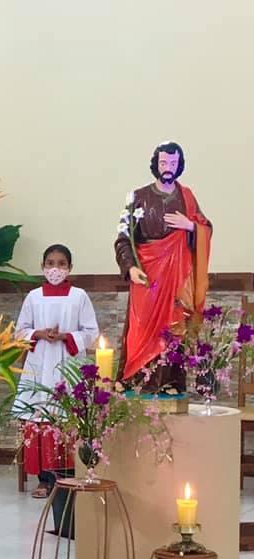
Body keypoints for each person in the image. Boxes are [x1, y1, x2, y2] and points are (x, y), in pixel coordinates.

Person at [114, 141, 212, 387]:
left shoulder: (187, 197)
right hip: (147, 276)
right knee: (142, 331)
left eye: (173, 163)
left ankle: (170, 384)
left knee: (174, 327)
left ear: (179, 166)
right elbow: (124, 238)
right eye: (164, 163)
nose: (168, 168)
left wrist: (190, 226)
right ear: (155, 164)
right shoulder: (138, 197)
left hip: (177, 276)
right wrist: (131, 267)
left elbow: (205, 228)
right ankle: (138, 382)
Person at [13, 244, 100, 498]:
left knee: (66, 418)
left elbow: (92, 333)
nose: (55, 268)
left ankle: (66, 477)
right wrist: (38, 333)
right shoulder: (33, 297)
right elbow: (19, 332)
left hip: (68, 367)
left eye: (61, 263)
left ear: (70, 268)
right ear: (42, 267)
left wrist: (65, 336)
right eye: (50, 263)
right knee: (40, 417)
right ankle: (44, 479)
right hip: (40, 363)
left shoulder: (79, 296)